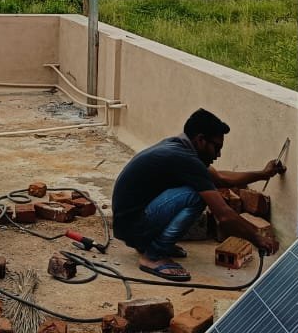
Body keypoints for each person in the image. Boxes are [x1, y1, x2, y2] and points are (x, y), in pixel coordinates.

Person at [111, 108, 285, 282]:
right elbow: (223, 215)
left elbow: (221, 178)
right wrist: (257, 238)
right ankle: (154, 255)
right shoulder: (186, 159)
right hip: (132, 226)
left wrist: (263, 174)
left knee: (200, 187)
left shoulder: (180, 147)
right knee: (196, 195)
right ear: (201, 140)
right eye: (216, 147)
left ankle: (148, 244)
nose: (218, 154)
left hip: (129, 223)